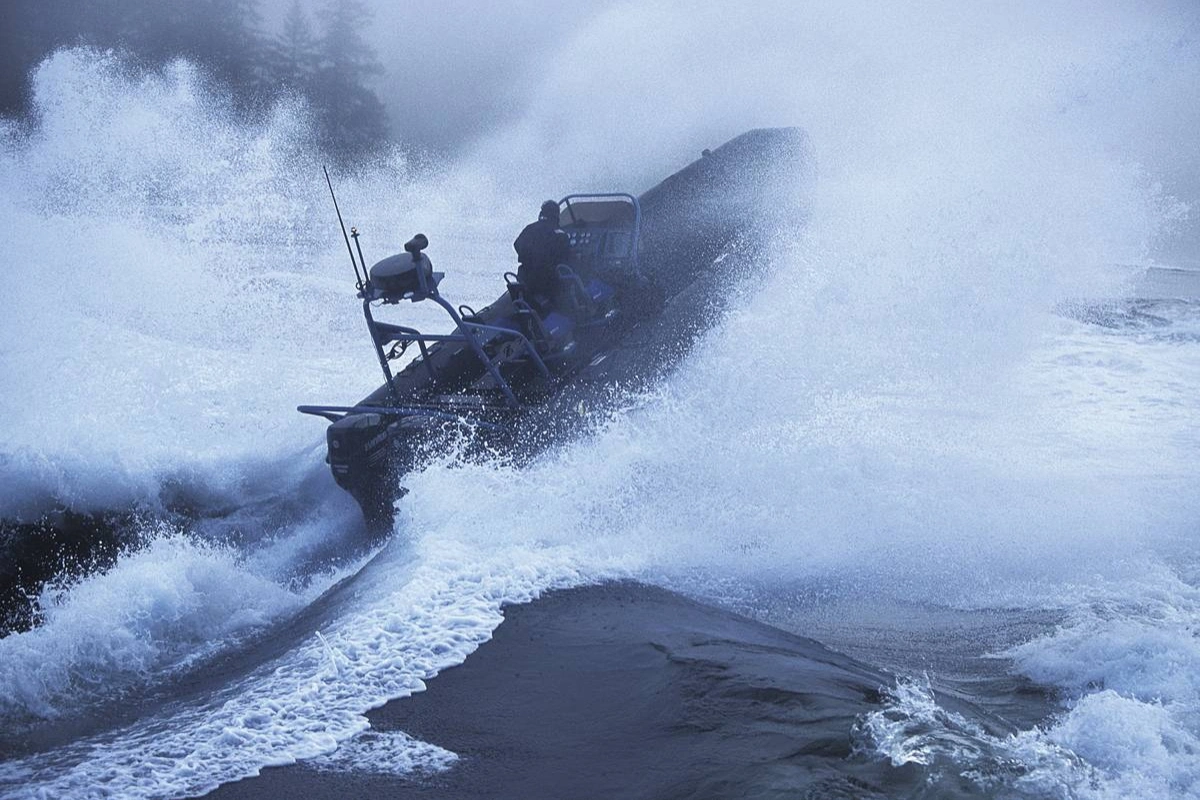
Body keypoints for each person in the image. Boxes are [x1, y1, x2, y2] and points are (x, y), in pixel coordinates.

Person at [513, 200, 570, 307]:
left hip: (526, 279)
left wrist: (529, 259)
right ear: (556, 216)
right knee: (569, 280)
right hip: (546, 283)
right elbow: (568, 257)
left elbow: (516, 244)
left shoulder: (529, 229)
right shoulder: (559, 234)